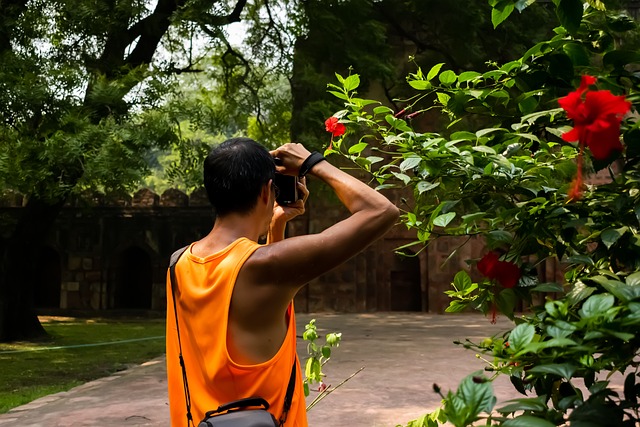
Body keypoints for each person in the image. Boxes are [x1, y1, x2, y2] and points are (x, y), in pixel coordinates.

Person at [166, 137, 399, 426]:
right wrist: (313, 163)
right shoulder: (265, 267)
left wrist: (276, 225)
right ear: (267, 192)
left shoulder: (179, 263)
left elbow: (262, 310)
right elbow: (381, 211)